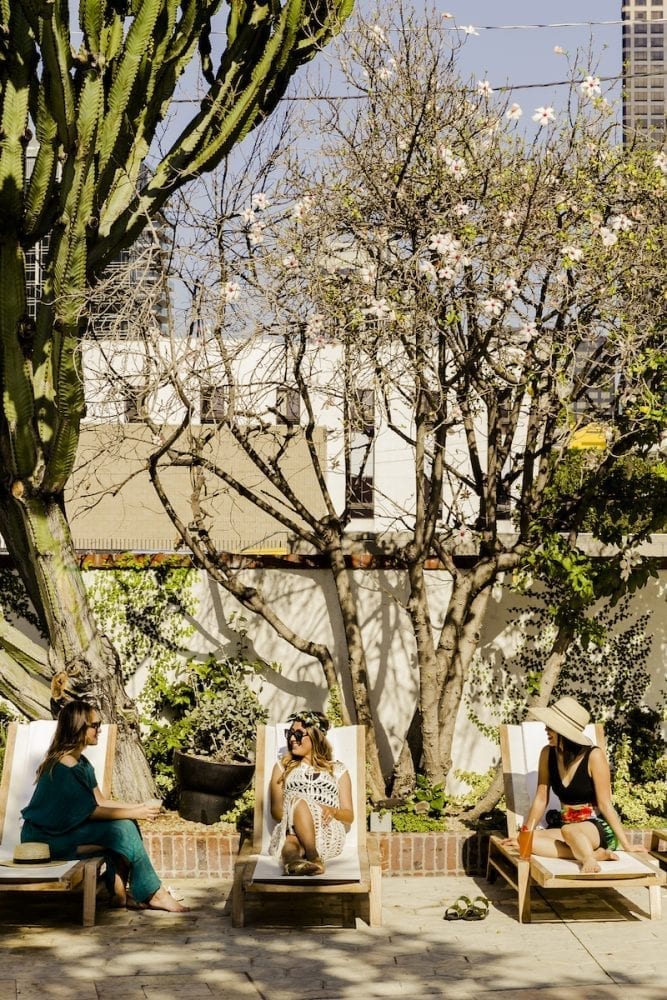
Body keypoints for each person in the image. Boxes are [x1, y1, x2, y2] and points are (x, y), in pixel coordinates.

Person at [20, 700, 188, 912]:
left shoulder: (81, 763)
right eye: (95, 725)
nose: (100, 730)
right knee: (122, 828)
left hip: (62, 833)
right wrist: (136, 812)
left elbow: (100, 800)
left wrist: (138, 806)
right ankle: (155, 893)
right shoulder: (65, 766)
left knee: (125, 824)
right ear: (78, 727)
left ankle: (119, 894)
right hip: (44, 840)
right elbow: (91, 812)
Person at [506, 696, 648, 873]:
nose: (546, 729)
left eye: (551, 727)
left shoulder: (593, 757)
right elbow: (541, 799)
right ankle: (595, 854)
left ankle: (588, 859)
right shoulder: (547, 754)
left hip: (595, 826)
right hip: (566, 825)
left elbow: (605, 804)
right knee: (528, 840)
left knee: (569, 831)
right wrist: (526, 832)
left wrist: (627, 844)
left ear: (564, 731)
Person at [269, 710, 354, 875]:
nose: (292, 738)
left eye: (299, 734)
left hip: (327, 830)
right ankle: (304, 860)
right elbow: (275, 811)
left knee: (292, 834)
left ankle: (305, 858)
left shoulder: (337, 770)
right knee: (292, 833)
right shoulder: (282, 768)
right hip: (289, 826)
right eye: (290, 734)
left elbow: (349, 815)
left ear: (315, 737)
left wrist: (332, 811)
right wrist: (298, 812)